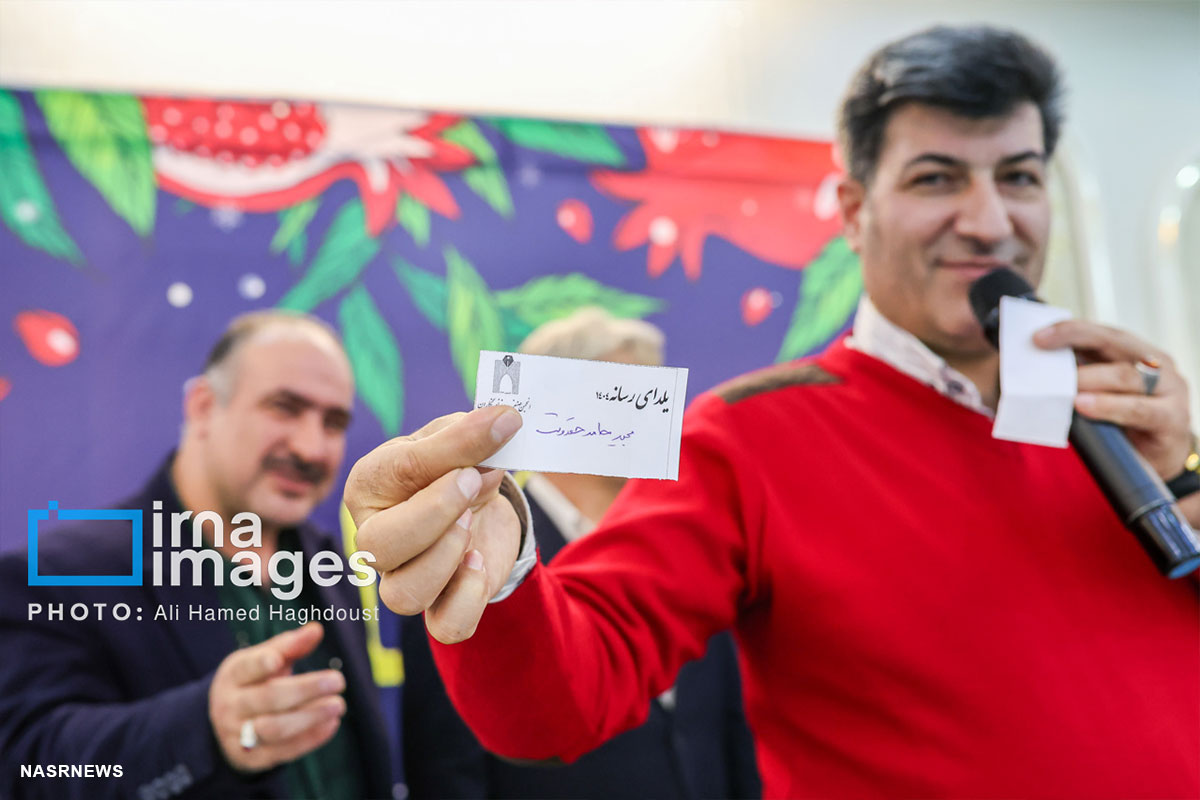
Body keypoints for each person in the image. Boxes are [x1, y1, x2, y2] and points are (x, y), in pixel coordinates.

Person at [343, 25, 1200, 798]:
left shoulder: (1121, 425)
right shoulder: (748, 438)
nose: (989, 221)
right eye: (937, 178)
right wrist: (498, 578)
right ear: (855, 212)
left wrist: (1186, 480)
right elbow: (563, 697)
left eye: (1019, 177)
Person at [0, 311, 394, 799]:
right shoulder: (57, 574)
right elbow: (29, 768)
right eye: (284, 408)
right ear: (204, 406)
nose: (311, 448)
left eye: (333, 422)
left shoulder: (330, 563)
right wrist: (204, 730)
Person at [402, 308, 761, 800]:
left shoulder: (692, 545)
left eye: (657, 396)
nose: (653, 415)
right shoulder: (475, 558)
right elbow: (447, 766)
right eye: (625, 392)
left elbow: (731, 730)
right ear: (550, 406)